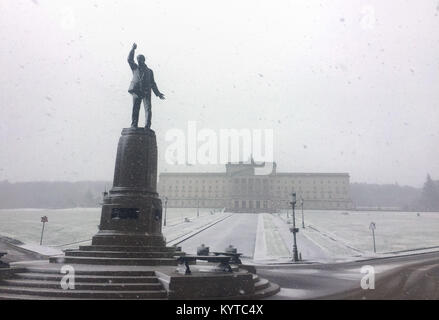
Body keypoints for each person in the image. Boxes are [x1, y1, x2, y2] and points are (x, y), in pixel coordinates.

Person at [127, 43, 165, 128]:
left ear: (143, 60)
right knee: (135, 109)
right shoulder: (135, 68)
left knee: (148, 109)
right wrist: (133, 50)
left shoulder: (149, 71)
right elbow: (129, 60)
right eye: (137, 59)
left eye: (140, 59)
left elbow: (153, 83)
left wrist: (158, 94)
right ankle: (134, 125)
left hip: (146, 92)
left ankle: (147, 126)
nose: (138, 61)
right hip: (136, 91)